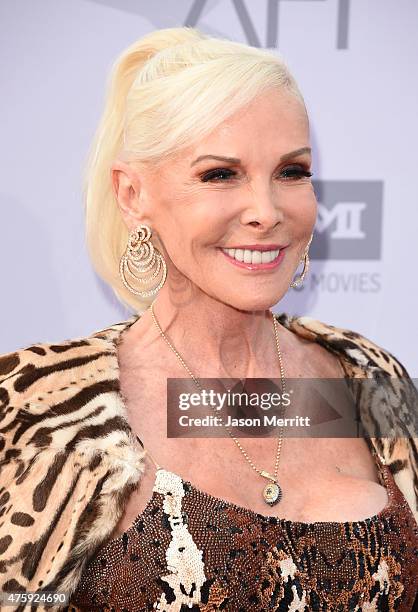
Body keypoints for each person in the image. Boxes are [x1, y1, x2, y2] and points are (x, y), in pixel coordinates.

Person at [0, 26, 417, 612]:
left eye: (291, 171)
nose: (266, 213)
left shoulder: (366, 376)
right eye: (220, 174)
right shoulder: (42, 407)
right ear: (132, 194)